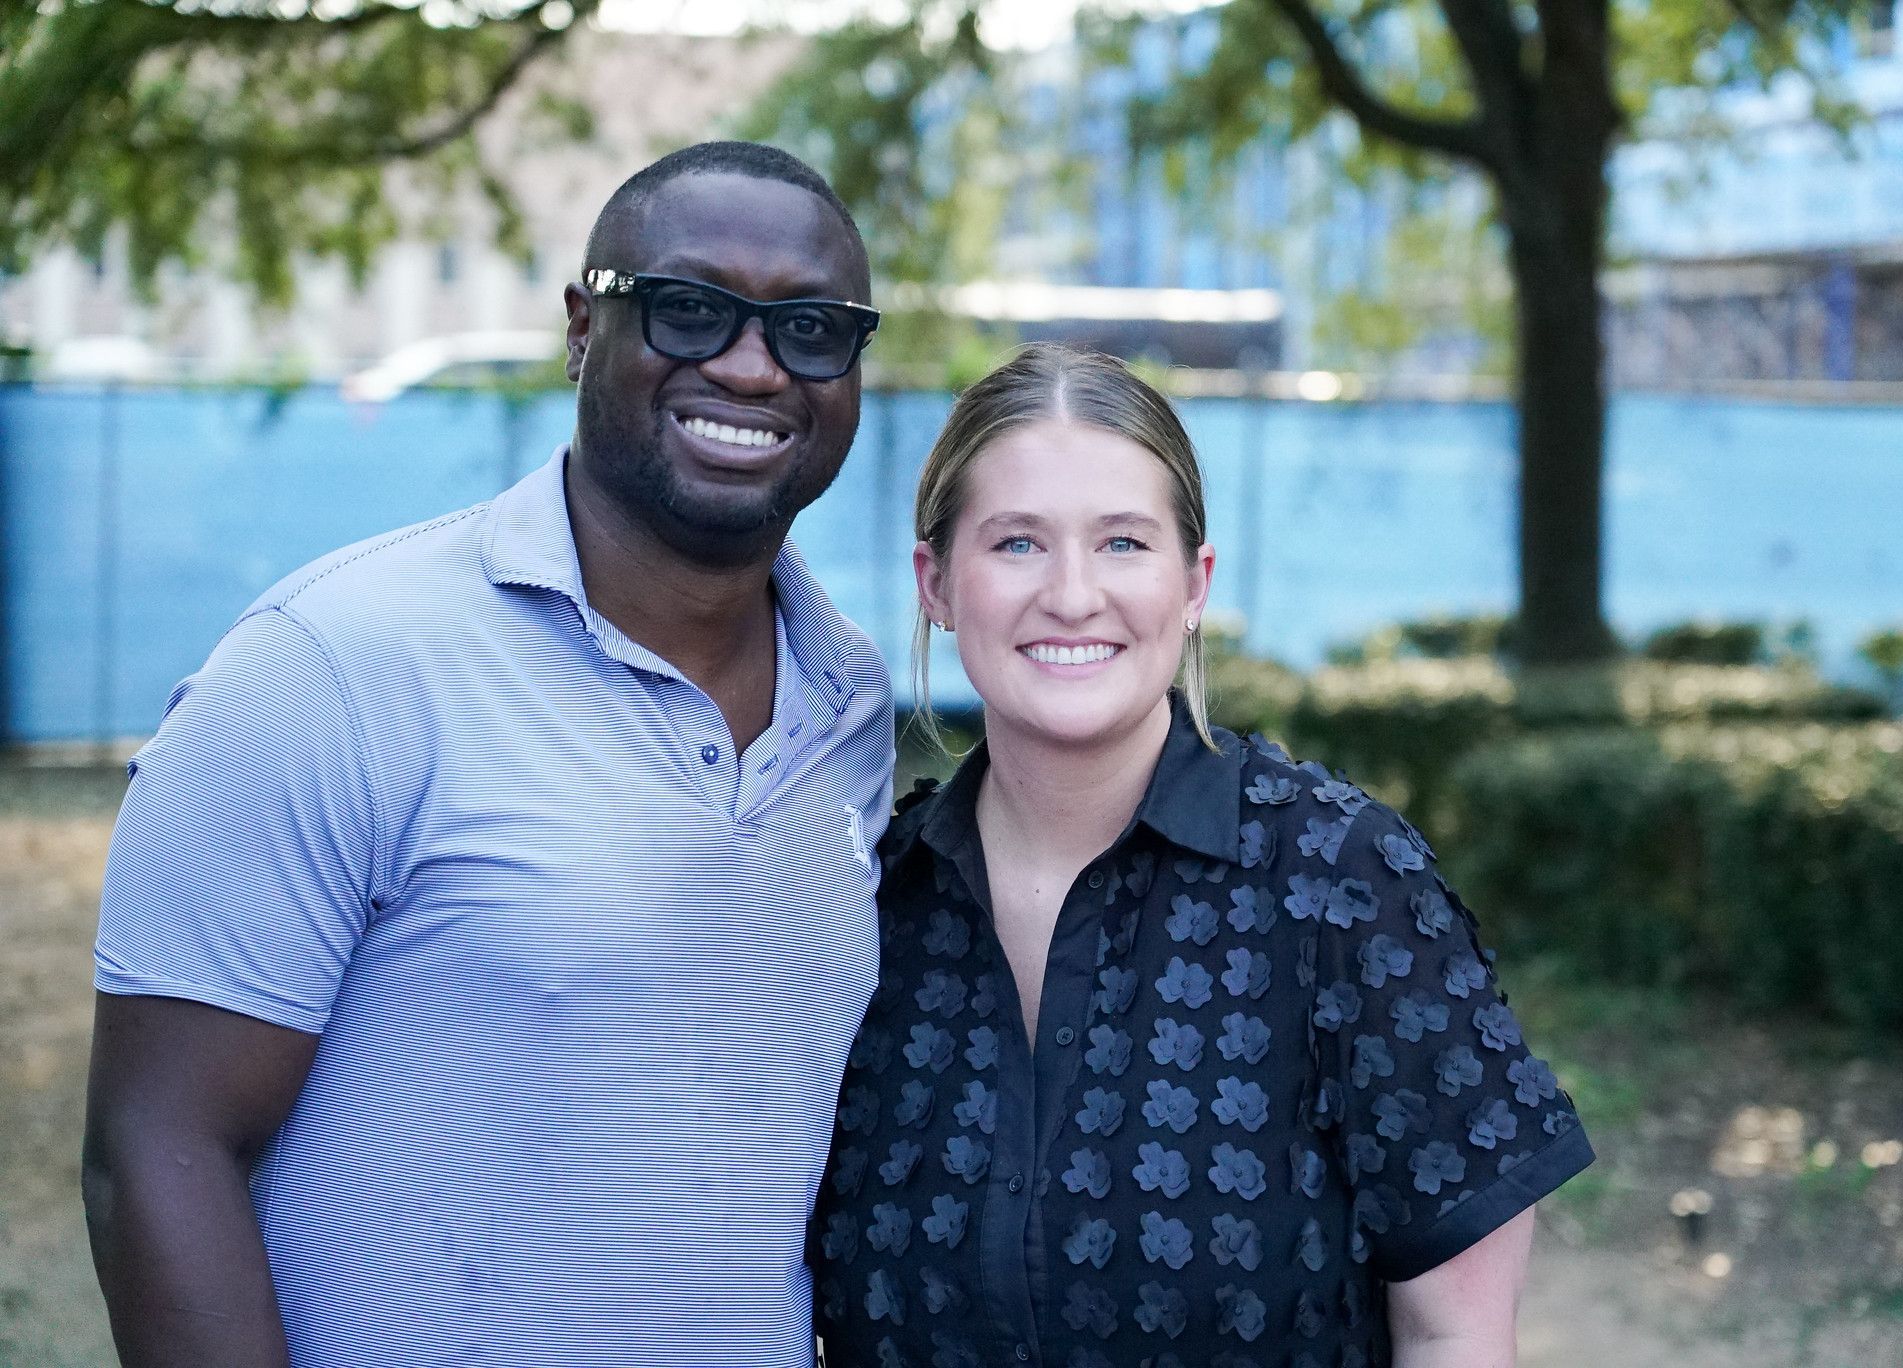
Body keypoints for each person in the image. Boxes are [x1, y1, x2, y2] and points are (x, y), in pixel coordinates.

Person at [83, 140, 893, 1368]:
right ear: (582, 329)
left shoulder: (849, 706)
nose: (750, 365)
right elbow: (156, 1148)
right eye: (687, 310)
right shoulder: (333, 663)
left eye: (811, 329)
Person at [812, 343, 1593, 1368]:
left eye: (1123, 543)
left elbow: (1457, 1334)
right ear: (937, 583)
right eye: (1017, 543)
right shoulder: (862, 904)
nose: (1072, 594)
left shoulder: (1342, 885)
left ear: (1193, 584)